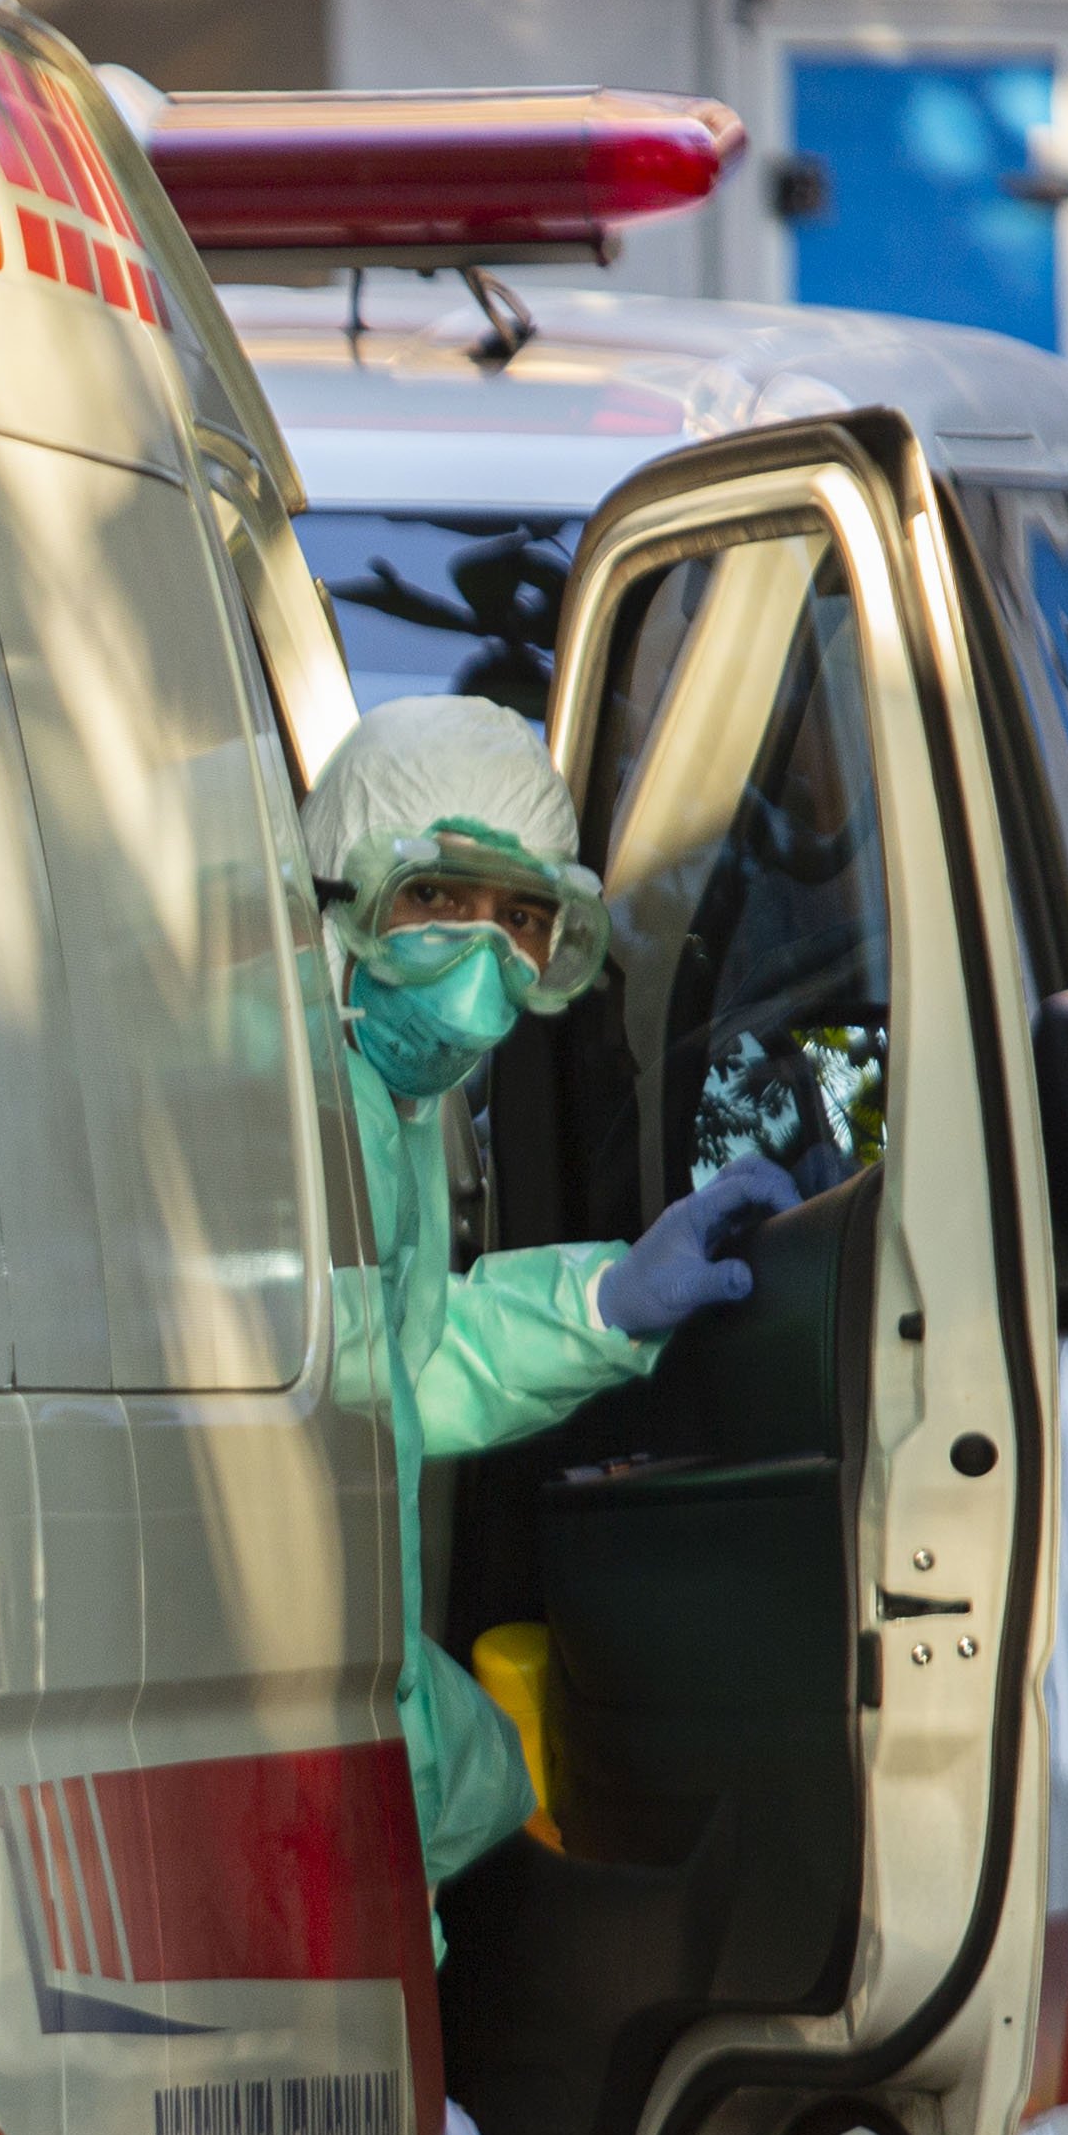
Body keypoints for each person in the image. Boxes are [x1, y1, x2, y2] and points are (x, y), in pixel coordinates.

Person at [320, 695, 796, 1903]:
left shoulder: (387, 1105)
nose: (485, 961)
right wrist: (456, 1773)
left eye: (523, 922)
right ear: (340, 889)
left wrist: (604, 1305)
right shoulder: (288, 1113)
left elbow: (405, 1363)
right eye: (438, 901)